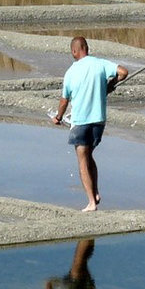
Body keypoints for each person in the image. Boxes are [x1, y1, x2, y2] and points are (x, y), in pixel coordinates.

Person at [52, 36, 128, 211]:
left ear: (74, 51)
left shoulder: (71, 72)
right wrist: (111, 84)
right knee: (89, 155)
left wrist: (58, 117)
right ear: (87, 48)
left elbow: (64, 101)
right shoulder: (100, 64)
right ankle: (95, 193)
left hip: (81, 121)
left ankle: (91, 202)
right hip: (99, 120)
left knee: (82, 160)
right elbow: (123, 72)